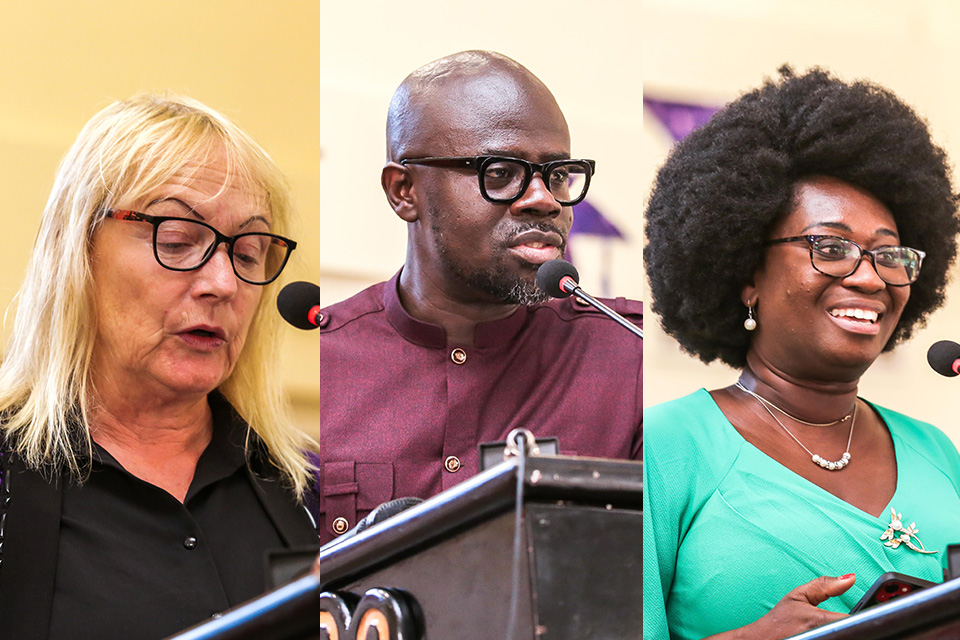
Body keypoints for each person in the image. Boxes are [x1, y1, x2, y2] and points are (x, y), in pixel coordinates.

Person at [642, 65, 960, 640]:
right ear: (747, 274)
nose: (869, 278)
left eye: (889, 255)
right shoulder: (664, 449)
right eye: (830, 247)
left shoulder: (937, 452)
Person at [0, 94, 321, 640]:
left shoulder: (315, 493)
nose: (223, 283)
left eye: (247, 253)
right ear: (77, 251)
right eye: (176, 240)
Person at [305, 50, 642, 542]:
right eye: (501, 173)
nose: (544, 200)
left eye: (557, 175)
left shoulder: (624, 354)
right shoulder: (326, 360)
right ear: (404, 191)